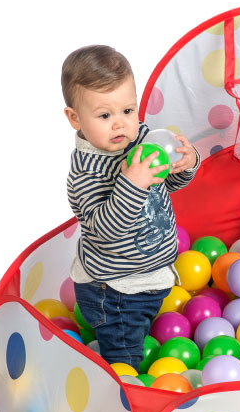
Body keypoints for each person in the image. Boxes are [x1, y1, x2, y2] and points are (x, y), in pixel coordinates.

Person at [62, 45, 200, 368]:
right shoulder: (87, 172)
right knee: (126, 364)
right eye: (105, 115)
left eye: (128, 111)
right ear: (74, 118)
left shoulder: (140, 140)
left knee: (146, 332)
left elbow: (164, 185)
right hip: (116, 292)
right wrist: (131, 184)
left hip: (150, 276)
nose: (120, 125)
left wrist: (187, 164)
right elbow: (107, 231)